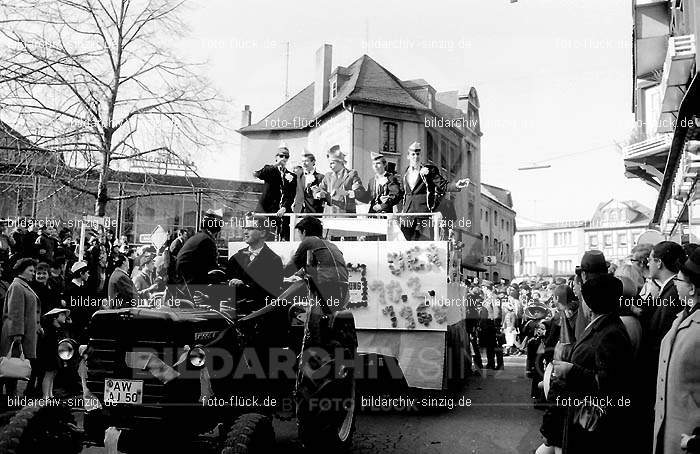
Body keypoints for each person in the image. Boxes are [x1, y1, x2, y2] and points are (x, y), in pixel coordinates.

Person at [551, 274, 633, 454]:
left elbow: (611, 381)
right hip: (582, 415)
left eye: (582, 298)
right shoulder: (603, 324)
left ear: (590, 303)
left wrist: (571, 370)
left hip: (592, 421)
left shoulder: (610, 333)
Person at [653, 247, 700, 454]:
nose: (675, 285)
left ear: (692, 288)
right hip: (670, 432)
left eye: (679, 281)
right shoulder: (683, 315)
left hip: (689, 437)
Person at [283, 216, 348, 346]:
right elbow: (321, 268)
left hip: (326, 289)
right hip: (343, 292)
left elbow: (287, 271)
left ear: (304, 232)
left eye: (299, 234)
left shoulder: (309, 241)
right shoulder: (331, 244)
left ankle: (312, 349)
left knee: (294, 310)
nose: (300, 238)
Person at [400, 141, 470, 240]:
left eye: (418, 154)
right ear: (408, 156)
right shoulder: (404, 172)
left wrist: (456, 185)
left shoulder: (429, 170)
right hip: (408, 215)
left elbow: (443, 184)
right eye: (413, 154)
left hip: (424, 213)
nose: (416, 157)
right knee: (405, 242)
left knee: (423, 244)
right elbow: (401, 192)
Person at [226, 215, 283, 314]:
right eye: (245, 228)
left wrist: (243, 285)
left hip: (258, 315)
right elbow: (225, 281)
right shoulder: (236, 257)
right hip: (233, 312)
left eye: (250, 229)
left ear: (262, 233)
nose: (245, 232)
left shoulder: (273, 261)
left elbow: (269, 292)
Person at [0, 258, 41, 397]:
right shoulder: (17, 286)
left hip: (22, 333)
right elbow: (15, 312)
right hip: (16, 335)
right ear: (21, 271)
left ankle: (10, 396)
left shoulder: (23, 285)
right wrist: (17, 334)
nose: (33, 273)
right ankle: (9, 397)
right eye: (30, 270)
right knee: (10, 366)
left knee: (14, 366)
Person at [253, 143, 297, 240]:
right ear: (276, 157)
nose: (284, 158)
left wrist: (284, 208)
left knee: (285, 236)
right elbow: (258, 174)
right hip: (268, 209)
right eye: (281, 156)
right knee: (266, 237)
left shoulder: (292, 176)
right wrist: (276, 165)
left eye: (286, 157)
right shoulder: (270, 169)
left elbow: (291, 195)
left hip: (282, 211)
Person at [176, 210, 223, 288]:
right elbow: (213, 267)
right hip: (191, 281)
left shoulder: (199, 236)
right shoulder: (207, 240)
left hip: (183, 279)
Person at [315, 148, 366, 214]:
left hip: (346, 213)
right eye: (329, 163)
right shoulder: (328, 176)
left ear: (340, 162)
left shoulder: (351, 174)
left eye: (332, 163)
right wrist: (319, 193)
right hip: (329, 213)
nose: (330, 166)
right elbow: (320, 189)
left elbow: (360, 192)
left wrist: (345, 193)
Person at [38, 308, 70, 399]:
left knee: (52, 374)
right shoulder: (50, 330)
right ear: (55, 318)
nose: (64, 317)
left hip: (54, 354)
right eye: (62, 315)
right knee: (49, 374)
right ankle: (46, 395)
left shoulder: (56, 329)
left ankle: (50, 394)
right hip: (50, 354)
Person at [64, 261, 92, 343]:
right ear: (81, 273)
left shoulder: (84, 286)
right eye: (87, 272)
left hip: (83, 323)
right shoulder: (71, 289)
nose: (88, 275)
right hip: (76, 325)